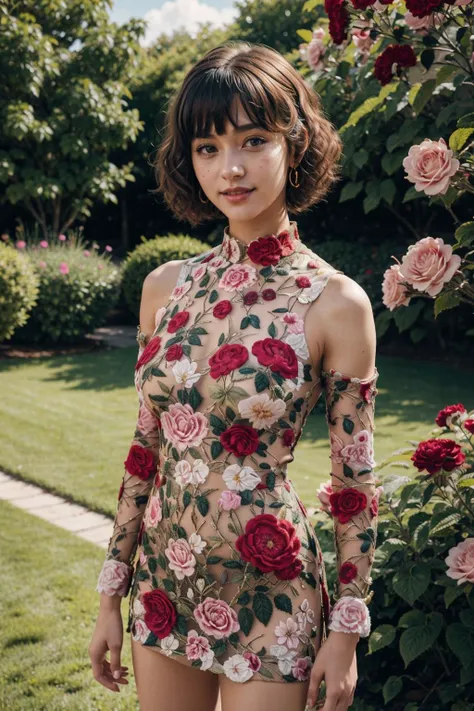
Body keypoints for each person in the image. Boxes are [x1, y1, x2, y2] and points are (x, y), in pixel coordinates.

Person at [88, 41, 379, 711]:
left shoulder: (336, 303)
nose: (232, 167)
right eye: (208, 148)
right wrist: (112, 591)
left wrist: (346, 635)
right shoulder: (164, 287)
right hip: (165, 581)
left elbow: (354, 486)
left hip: (273, 589)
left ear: (295, 140)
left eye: (253, 139)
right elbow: (143, 451)